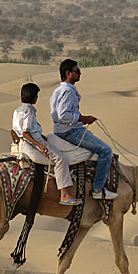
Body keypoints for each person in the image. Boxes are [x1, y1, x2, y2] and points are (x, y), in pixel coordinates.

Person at [50, 59, 117, 200]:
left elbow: (56, 114)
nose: (80, 73)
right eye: (77, 71)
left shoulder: (58, 91)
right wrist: (83, 118)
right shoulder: (68, 91)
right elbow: (63, 115)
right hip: (70, 131)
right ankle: (98, 189)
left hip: (62, 130)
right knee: (106, 151)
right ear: (68, 73)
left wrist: (80, 118)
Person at [13, 83, 82, 206]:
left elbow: (22, 131)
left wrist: (41, 136)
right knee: (61, 159)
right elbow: (25, 133)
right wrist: (40, 145)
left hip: (25, 143)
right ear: (33, 97)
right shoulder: (29, 111)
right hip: (32, 144)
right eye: (36, 95)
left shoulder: (17, 110)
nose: (37, 98)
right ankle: (64, 195)